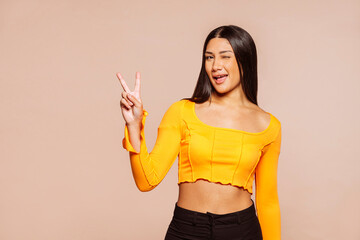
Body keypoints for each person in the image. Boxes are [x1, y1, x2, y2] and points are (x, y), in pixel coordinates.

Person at [117, 25, 282, 240]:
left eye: (225, 57)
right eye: (209, 57)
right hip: (186, 229)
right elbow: (146, 181)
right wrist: (133, 125)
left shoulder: (269, 125)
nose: (216, 66)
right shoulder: (181, 112)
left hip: (242, 231)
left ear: (245, 60)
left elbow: (268, 202)